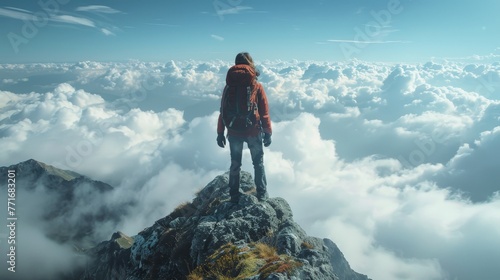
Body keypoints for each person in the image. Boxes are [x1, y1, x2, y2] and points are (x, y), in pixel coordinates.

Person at [216, 52, 272, 203]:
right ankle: (262, 193)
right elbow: (264, 112)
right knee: (258, 163)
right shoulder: (256, 86)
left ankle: (234, 194)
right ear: (250, 63)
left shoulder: (229, 87)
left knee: (235, 163)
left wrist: (220, 133)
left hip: (233, 131)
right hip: (253, 131)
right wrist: (268, 132)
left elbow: (222, 111)